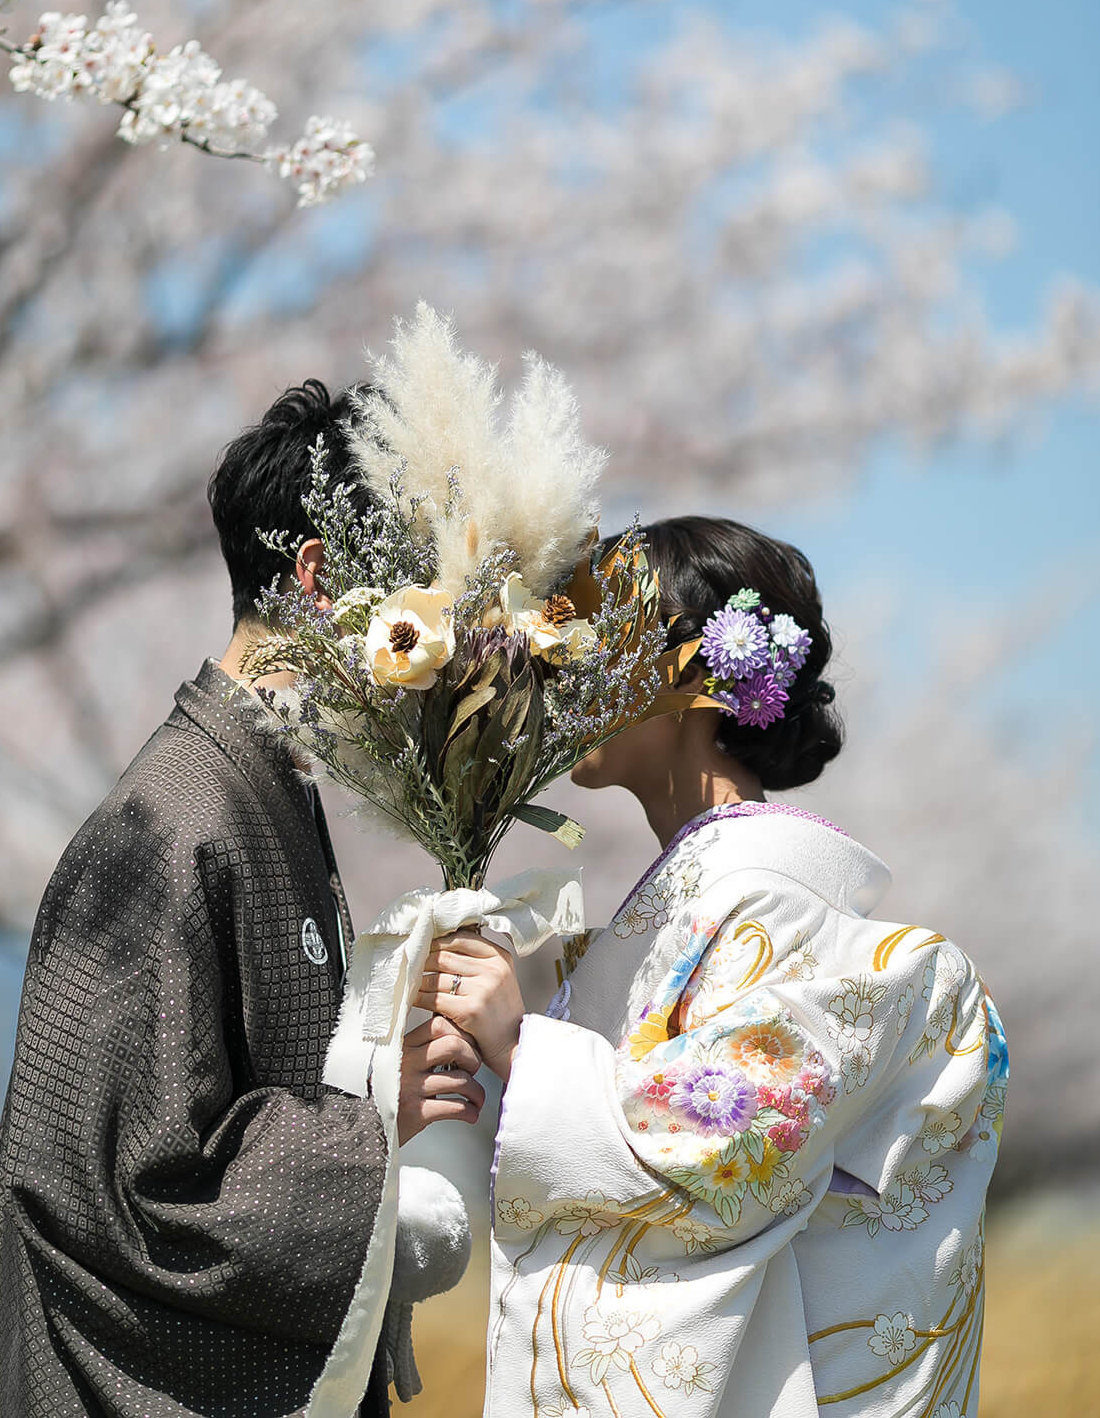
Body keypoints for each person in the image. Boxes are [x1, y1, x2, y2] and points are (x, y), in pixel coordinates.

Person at [0, 380, 482, 1418]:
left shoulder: (261, 785)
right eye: (416, 587)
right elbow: (137, 1177)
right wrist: (376, 1140)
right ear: (320, 570)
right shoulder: (169, 821)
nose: (436, 628)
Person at [420, 515, 1009, 1418]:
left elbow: (720, 1158)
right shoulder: (705, 907)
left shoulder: (774, 911)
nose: (560, 671)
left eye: (591, 639)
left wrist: (521, 1049)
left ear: (695, 673)